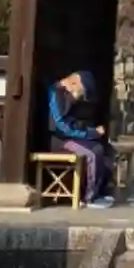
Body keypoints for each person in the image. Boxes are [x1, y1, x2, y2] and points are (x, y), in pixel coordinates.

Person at [49, 70, 117, 209]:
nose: (80, 98)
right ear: (74, 83)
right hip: (60, 139)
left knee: (106, 149)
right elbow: (61, 126)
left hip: (72, 136)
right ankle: (89, 197)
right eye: (81, 93)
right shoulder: (55, 94)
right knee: (93, 152)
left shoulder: (68, 96)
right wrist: (91, 133)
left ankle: (102, 190)